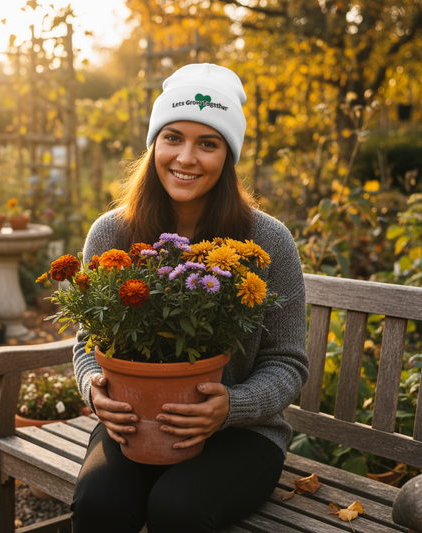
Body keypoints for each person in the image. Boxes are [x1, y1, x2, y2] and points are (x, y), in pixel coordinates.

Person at [71, 63, 309, 533]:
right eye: (173, 137)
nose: (186, 157)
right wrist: (94, 388)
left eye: (208, 143)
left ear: (228, 155)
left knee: (178, 508)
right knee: (100, 504)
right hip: (133, 424)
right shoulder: (112, 233)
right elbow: (86, 342)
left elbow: (288, 361)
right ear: (154, 144)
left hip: (243, 434)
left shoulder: (268, 241)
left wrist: (230, 406)